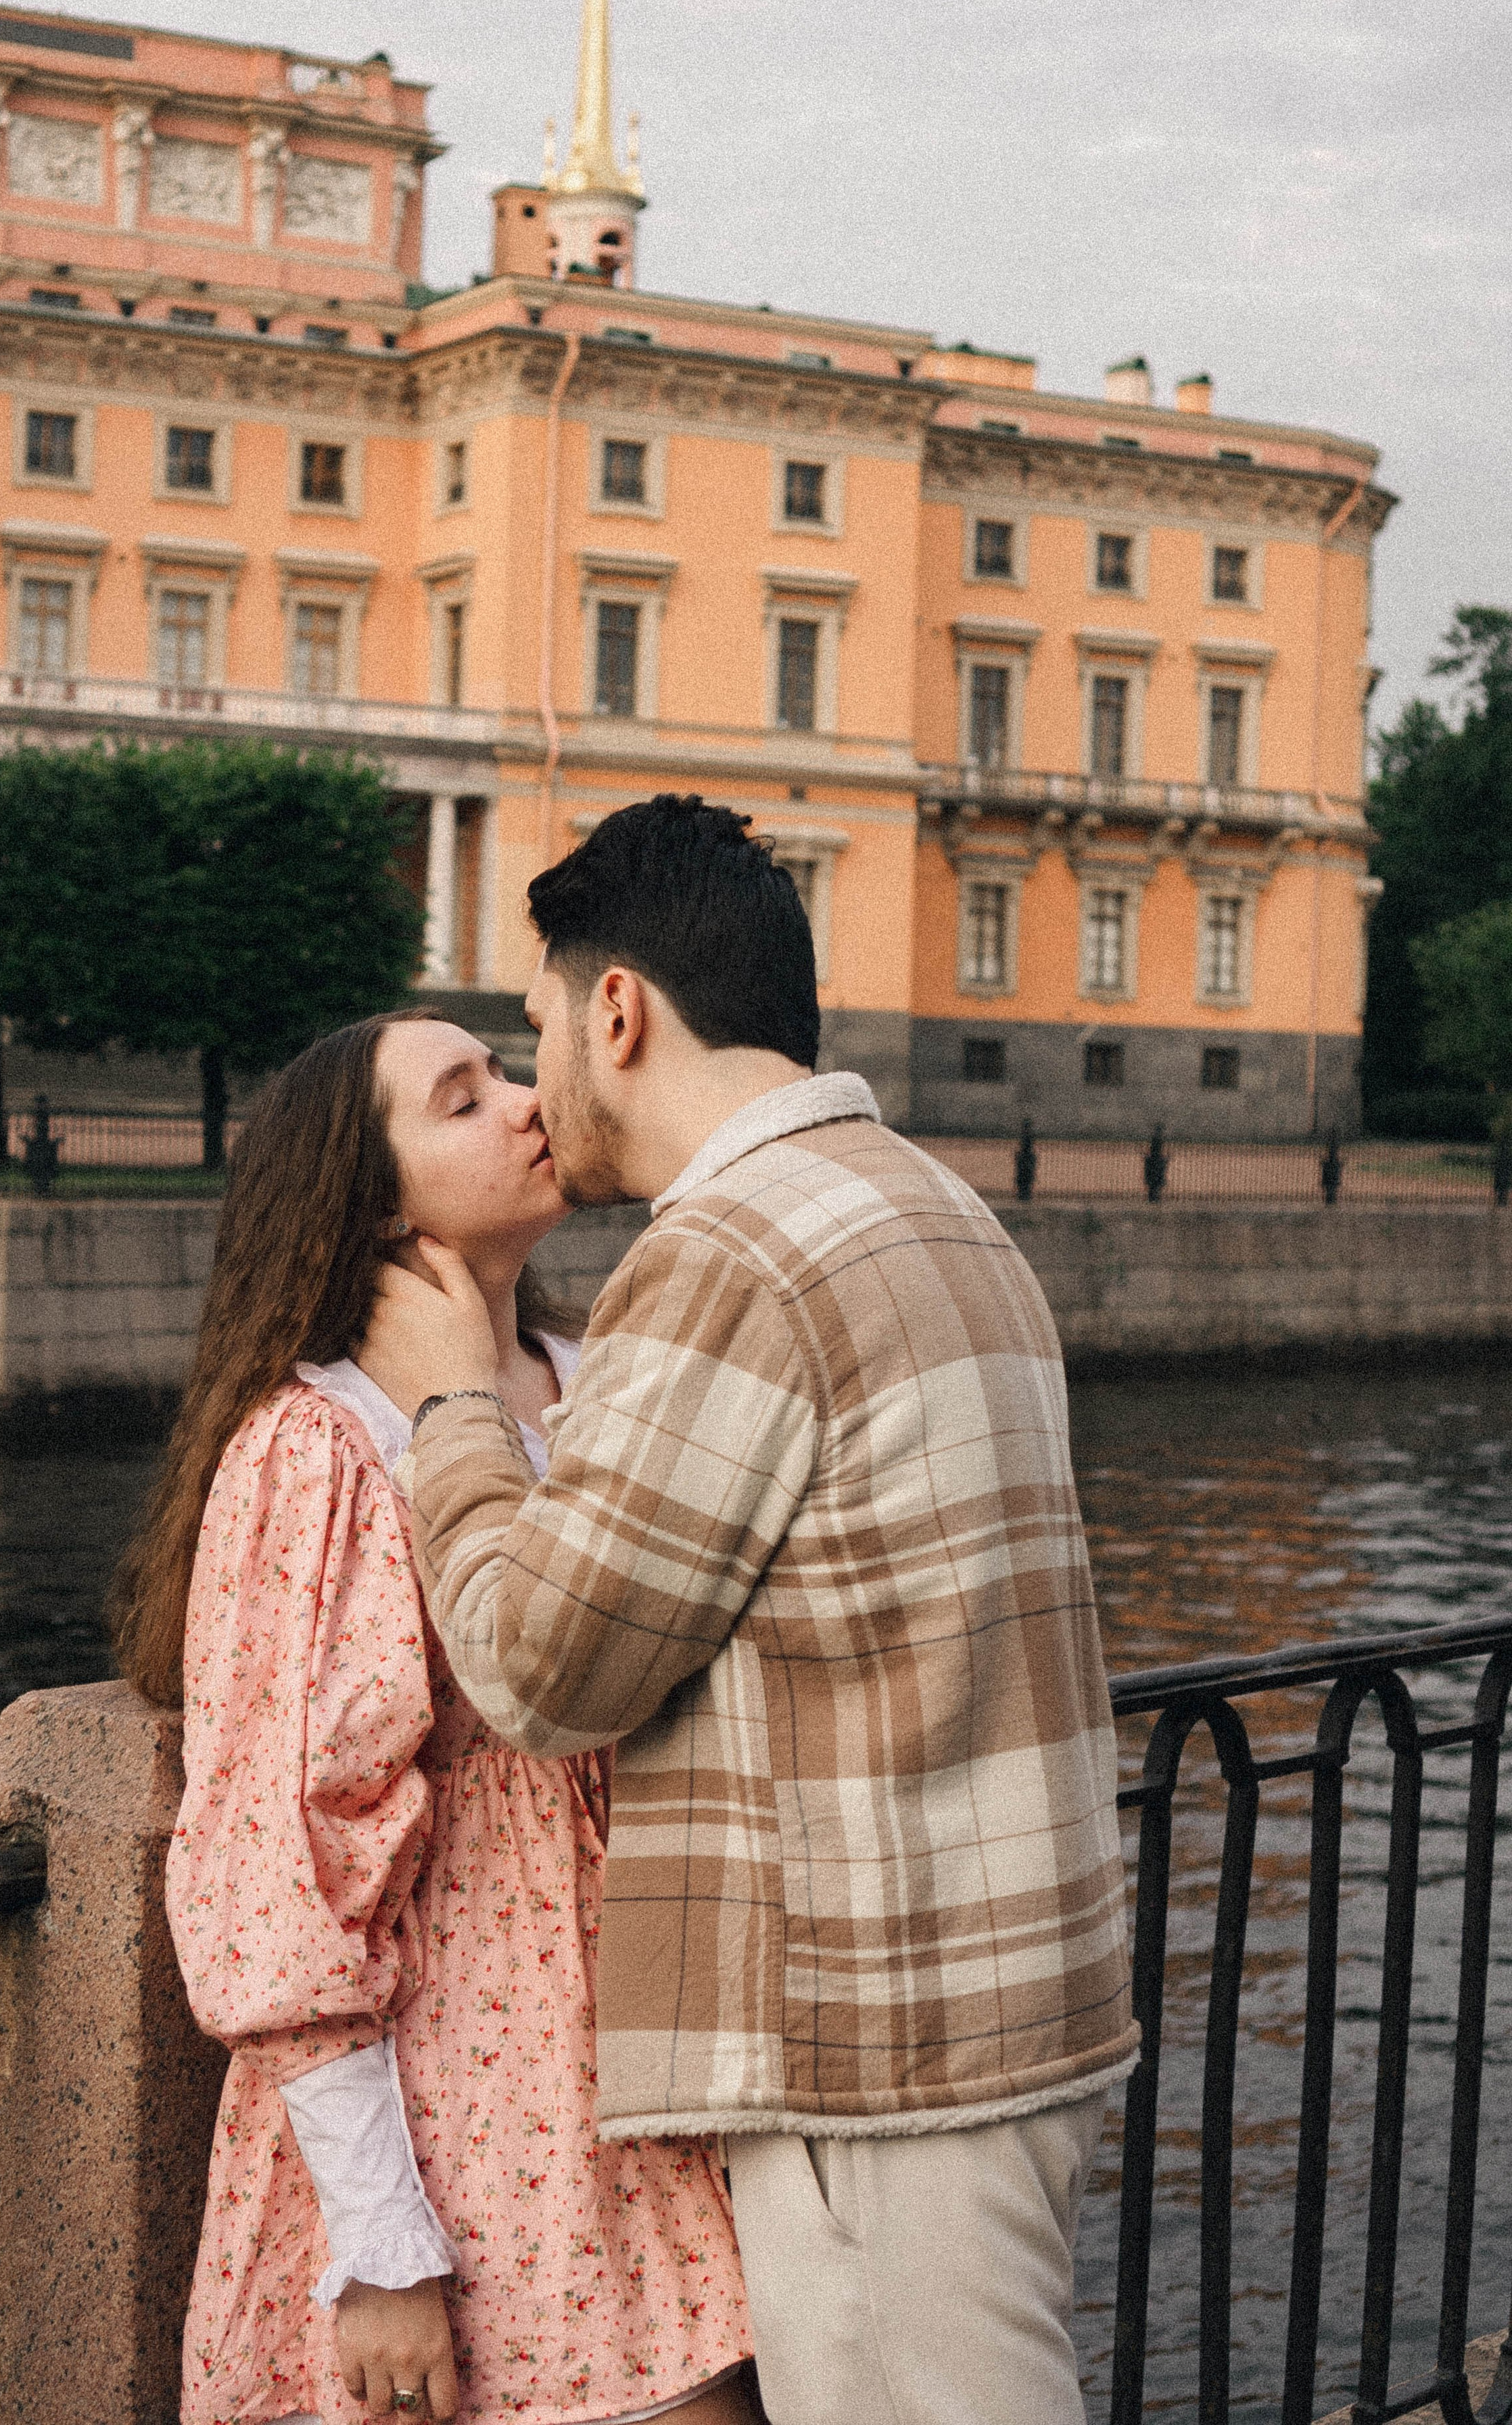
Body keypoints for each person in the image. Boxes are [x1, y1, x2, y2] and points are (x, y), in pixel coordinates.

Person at [361, 796, 1139, 2425]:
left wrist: (449, 1412)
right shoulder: (934, 1205)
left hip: (878, 2050)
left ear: (620, 1010)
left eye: (540, 1026)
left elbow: (538, 1665)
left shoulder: (726, 1252)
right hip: (1006, 2006)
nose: (538, 1074)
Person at [109, 1011, 756, 2425]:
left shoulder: (597, 1383)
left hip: (650, 2071)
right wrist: (381, 2242)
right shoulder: (319, 1447)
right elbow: (279, 1858)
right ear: (371, 1202)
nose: (529, 1105)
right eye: (462, 1100)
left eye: (504, 1073)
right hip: (459, 2099)